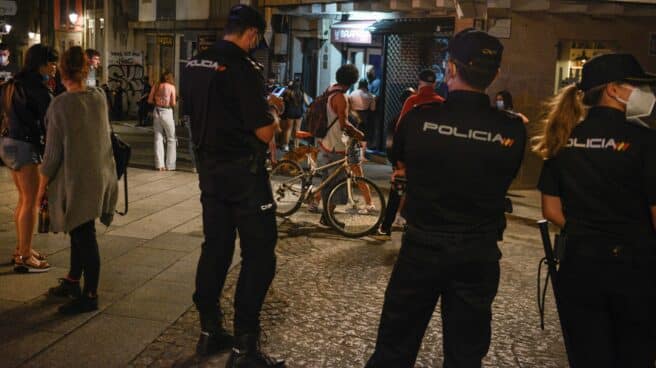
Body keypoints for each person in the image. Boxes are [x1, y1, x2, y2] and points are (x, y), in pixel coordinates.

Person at [366, 29, 526, 367]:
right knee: (466, 352)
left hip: (422, 245)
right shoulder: (512, 129)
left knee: (396, 344)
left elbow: (401, 164)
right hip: (478, 251)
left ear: (450, 69)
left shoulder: (419, 119)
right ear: (494, 75)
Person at [534, 53, 656, 367]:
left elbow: (550, 208)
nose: (646, 94)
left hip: (579, 264)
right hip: (634, 268)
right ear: (613, 90)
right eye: (637, 85)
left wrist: (586, 231)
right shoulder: (645, 140)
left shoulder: (563, 137)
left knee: (588, 354)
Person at [181, 5, 285, 367]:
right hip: (245, 176)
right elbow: (263, 130)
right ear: (252, 34)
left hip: (209, 172)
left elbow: (193, 113)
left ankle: (210, 330)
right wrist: (274, 110)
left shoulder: (194, 65)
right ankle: (245, 346)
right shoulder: (242, 68)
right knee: (260, 255)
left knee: (216, 248)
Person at [40, 46, 118, 314]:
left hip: (76, 181)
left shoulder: (60, 105)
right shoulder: (98, 97)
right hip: (99, 176)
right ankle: (74, 280)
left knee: (84, 236)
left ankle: (91, 295)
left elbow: (51, 156)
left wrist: (41, 187)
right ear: (85, 69)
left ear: (62, 71)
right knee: (80, 229)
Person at [0, 44, 58, 273]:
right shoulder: (37, 88)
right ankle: (24, 255)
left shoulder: (11, 84)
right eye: (51, 63)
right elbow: (49, 119)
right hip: (24, 145)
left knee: (24, 200)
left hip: (8, 143)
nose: (54, 67)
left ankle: (22, 247)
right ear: (40, 64)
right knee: (31, 201)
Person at [316, 64, 365, 226]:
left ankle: (326, 216)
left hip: (324, 143)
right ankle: (328, 218)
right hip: (336, 146)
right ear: (353, 81)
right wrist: (358, 133)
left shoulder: (331, 90)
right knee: (337, 186)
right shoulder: (341, 98)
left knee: (327, 183)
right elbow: (344, 125)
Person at [377, 87, 418, 238]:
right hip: (404, 165)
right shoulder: (405, 120)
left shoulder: (398, 119)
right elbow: (391, 144)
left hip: (402, 165)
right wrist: (397, 164)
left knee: (398, 195)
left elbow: (389, 145)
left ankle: (388, 226)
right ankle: (390, 225)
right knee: (400, 195)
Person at [148, 71, 177, 171]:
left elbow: (149, 100)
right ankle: (170, 165)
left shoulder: (156, 86)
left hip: (157, 111)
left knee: (158, 138)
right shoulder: (171, 87)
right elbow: (173, 103)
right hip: (167, 111)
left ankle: (159, 165)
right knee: (171, 138)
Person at [349, 79, 376, 155]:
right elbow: (373, 108)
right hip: (365, 117)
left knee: (353, 134)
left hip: (353, 115)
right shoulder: (370, 95)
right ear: (366, 85)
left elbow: (349, 106)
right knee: (364, 135)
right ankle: (362, 155)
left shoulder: (352, 93)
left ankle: (351, 153)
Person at [281, 79, 304, 151]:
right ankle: (296, 146)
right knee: (298, 130)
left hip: (290, 112)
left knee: (289, 129)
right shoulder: (302, 93)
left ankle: (286, 146)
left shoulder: (289, 93)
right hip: (299, 113)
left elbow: (284, 100)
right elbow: (307, 102)